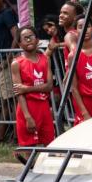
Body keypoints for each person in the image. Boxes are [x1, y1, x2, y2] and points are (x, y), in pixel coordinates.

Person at [11, 26, 55, 163]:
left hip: (44, 108)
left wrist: (27, 89)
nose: (29, 39)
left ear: (37, 40)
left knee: (50, 145)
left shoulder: (45, 59)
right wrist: (27, 116)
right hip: (27, 109)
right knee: (30, 149)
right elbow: (19, 92)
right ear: (19, 43)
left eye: (31, 36)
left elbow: (49, 86)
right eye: (25, 38)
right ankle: (30, 175)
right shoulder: (16, 63)